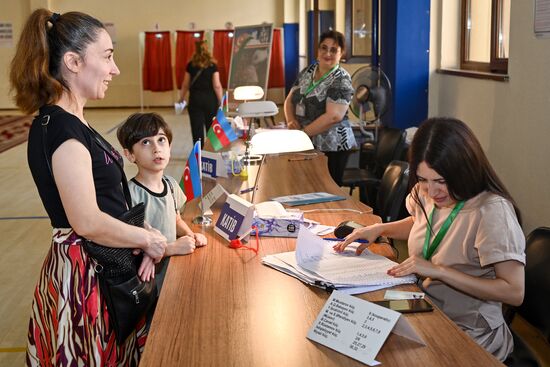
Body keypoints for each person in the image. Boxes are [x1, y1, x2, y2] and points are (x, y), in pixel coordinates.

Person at [9, 9, 167, 366]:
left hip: (101, 264)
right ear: (73, 62)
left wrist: (140, 231)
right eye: (108, 57)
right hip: (86, 276)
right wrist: (147, 239)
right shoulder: (62, 129)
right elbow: (88, 221)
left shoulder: (71, 121)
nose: (115, 69)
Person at [334, 117, 525, 362]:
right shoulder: (426, 192)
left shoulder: (492, 211)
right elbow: (421, 224)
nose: (431, 191)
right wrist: (380, 229)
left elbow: (514, 292)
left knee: (391, 356)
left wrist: (439, 271)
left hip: (468, 329)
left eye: (441, 182)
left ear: (464, 169)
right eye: (423, 179)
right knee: (357, 323)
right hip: (424, 305)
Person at [117, 112, 207, 295]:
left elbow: (175, 219)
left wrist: (191, 235)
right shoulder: (130, 195)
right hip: (148, 282)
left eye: (161, 140)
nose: (156, 148)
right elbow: (133, 248)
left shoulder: (171, 185)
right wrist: (171, 248)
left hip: (173, 268)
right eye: (145, 142)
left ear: (170, 147)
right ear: (130, 155)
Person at [284, 30, 356, 186]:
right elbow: (290, 99)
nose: (328, 53)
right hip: (306, 142)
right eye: (324, 48)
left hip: (332, 146)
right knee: (305, 187)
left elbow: (333, 117)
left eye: (334, 49)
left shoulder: (341, 78)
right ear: (318, 50)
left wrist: (302, 135)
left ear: (341, 53)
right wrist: (290, 121)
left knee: (327, 191)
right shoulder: (308, 71)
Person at [178, 40, 223, 147]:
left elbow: (185, 84)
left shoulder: (191, 65)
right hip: (210, 100)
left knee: (196, 128)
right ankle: (210, 151)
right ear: (207, 50)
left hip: (195, 100)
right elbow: (217, 85)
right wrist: (221, 101)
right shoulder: (213, 65)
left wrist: (181, 97)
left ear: (196, 50)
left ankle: (199, 153)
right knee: (211, 127)